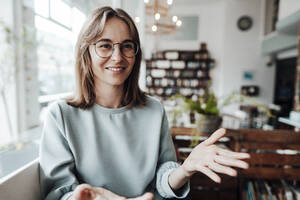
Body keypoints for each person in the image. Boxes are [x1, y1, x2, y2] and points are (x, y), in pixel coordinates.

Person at [39, 6, 250, 200]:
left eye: (127, 47)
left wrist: (185, 169)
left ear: (135, 54)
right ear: (86, 53)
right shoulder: (60, 115)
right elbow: (59, 193)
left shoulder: (153, 110)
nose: (117, 57)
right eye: (105, 46)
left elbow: (163, 177)